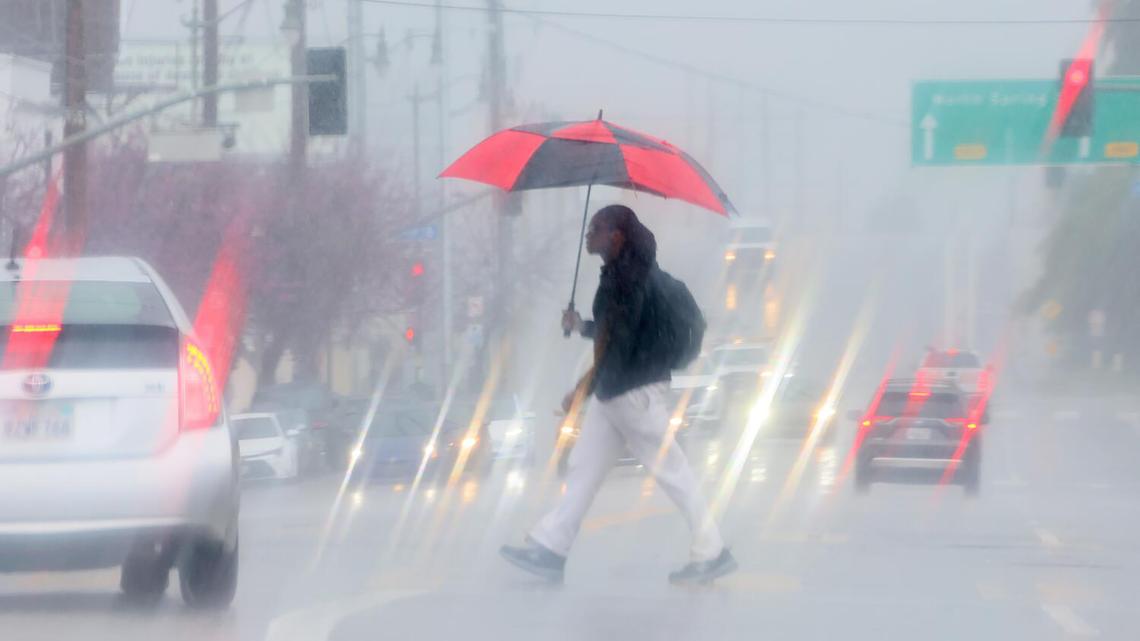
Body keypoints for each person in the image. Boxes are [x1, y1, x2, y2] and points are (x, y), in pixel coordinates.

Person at [500, 204, 736, 585]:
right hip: (618, 393)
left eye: (595, 228)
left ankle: (712, 550)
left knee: (673, 472)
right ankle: (551, 547)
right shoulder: (625, 276)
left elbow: (620, 347)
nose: (588, 234)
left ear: (617, 235)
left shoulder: (626, 279)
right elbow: (617, 332)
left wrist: (581, 388)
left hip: (632, 393)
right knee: (583, 469)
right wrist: (581, 327)